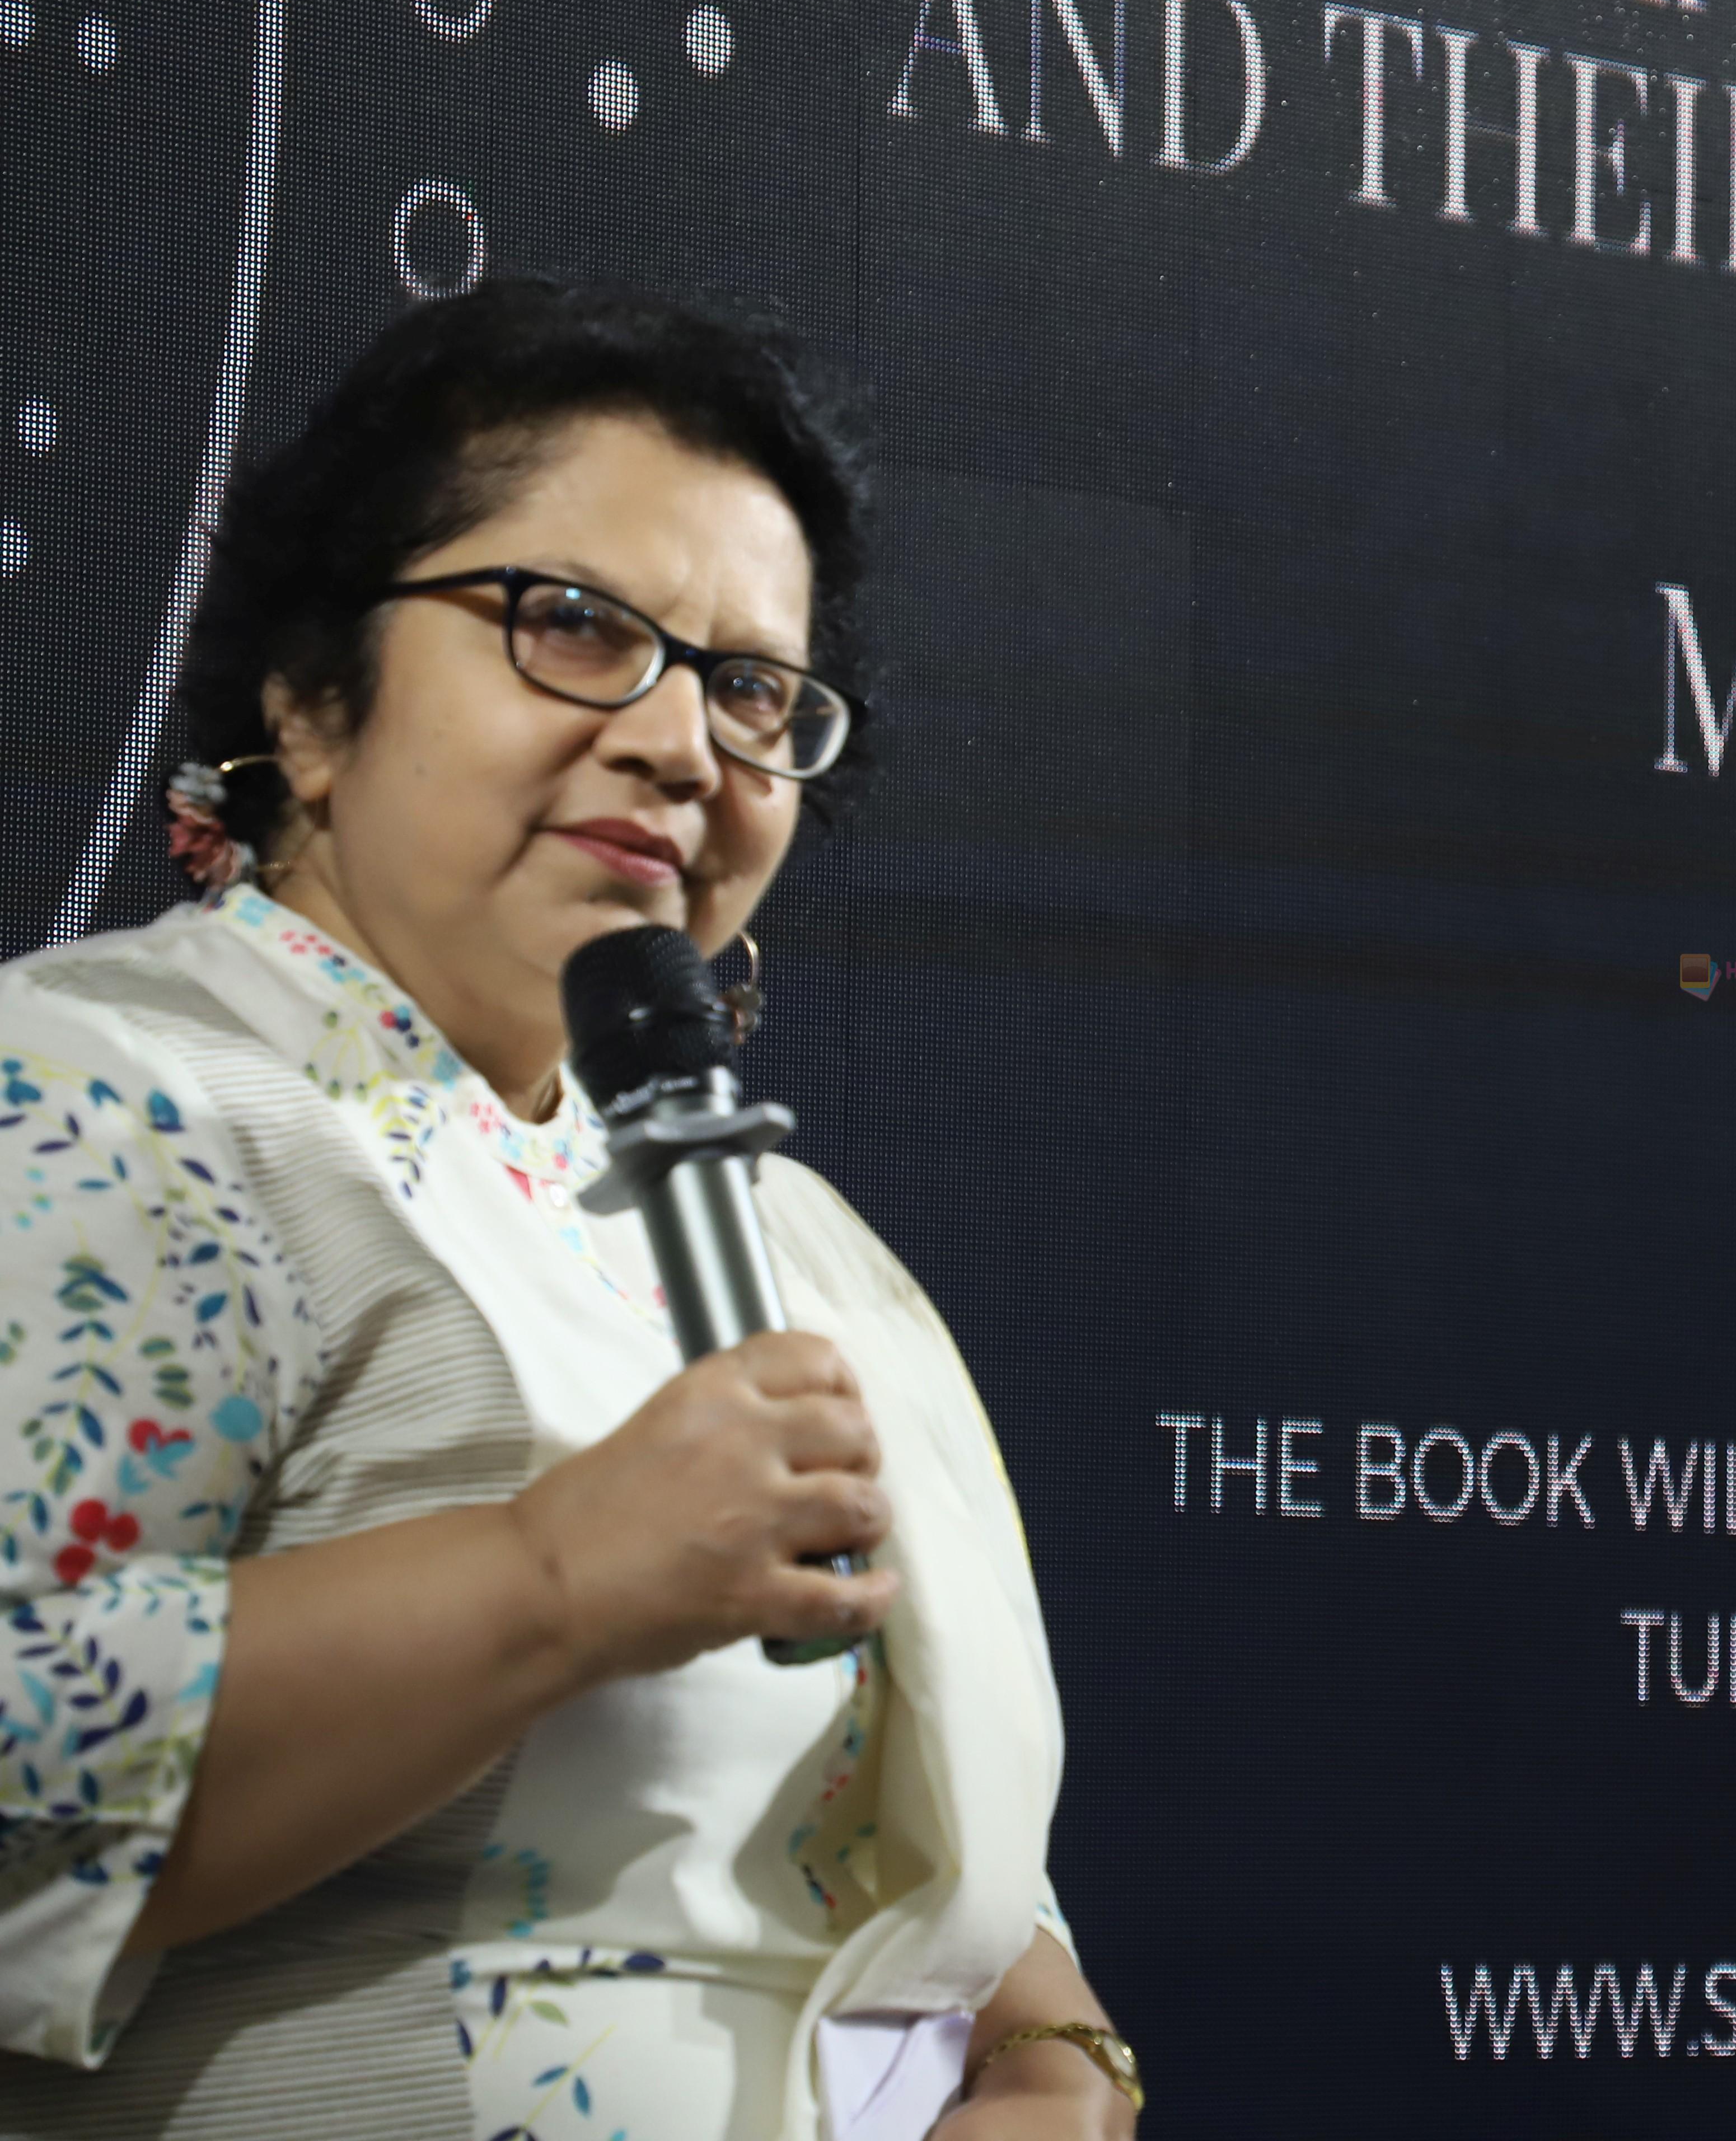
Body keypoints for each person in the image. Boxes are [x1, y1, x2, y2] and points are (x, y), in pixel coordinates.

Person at [0, 282, 1140, 2139]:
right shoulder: (111, 1095)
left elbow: (877, 1799)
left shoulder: (792, 1235)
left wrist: (1050, 2050)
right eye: (574, 627)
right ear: (309, 699)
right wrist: (552, 1583)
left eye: (751, 688)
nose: (685, 744)